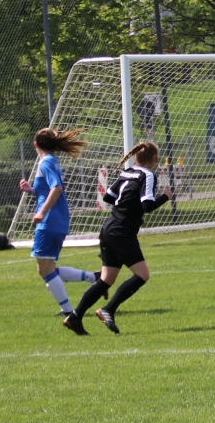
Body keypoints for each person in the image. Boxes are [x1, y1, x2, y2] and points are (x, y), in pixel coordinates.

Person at [64, 142, 170, 335]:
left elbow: (108, 197)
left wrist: (127, 204)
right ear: (156, 158)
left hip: (109, 228)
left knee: (106, 279)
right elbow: (147, 206)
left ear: (136, 157)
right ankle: (108, 309)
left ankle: (75, 317)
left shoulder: (127, 172)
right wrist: (165, 197)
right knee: (143, 275)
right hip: (122, 231)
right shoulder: (147, 175)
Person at [18, 128, 99, 317]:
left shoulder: (46, 163)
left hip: (49, 222)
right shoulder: (52, 161)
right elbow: (49, 190)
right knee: (49, 269)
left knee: (45, 271)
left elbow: (56, 189)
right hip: (58, 221)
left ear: (35, 145)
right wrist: (32, 190)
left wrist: (41, 212)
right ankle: (94, 278)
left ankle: (68, 311)